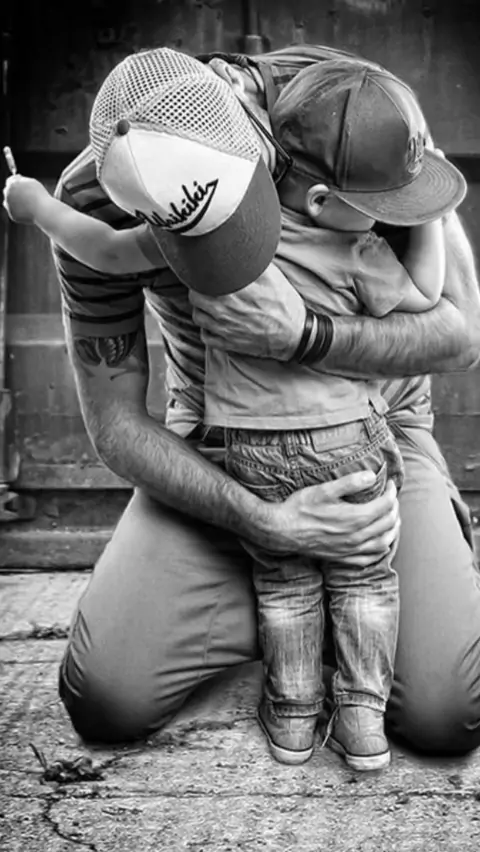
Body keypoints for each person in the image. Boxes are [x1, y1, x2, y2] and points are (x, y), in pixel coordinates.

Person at [3, 44, 480, 759]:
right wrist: (269, 523)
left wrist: (303, 336)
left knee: (445, 713)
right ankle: (304, 598)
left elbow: (459, 333)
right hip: (220, 440)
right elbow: (115, 425)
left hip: (372, 428)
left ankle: (347, 586)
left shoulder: (352, 115)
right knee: (108, 696)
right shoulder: (107, 192)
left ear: (261, 138)